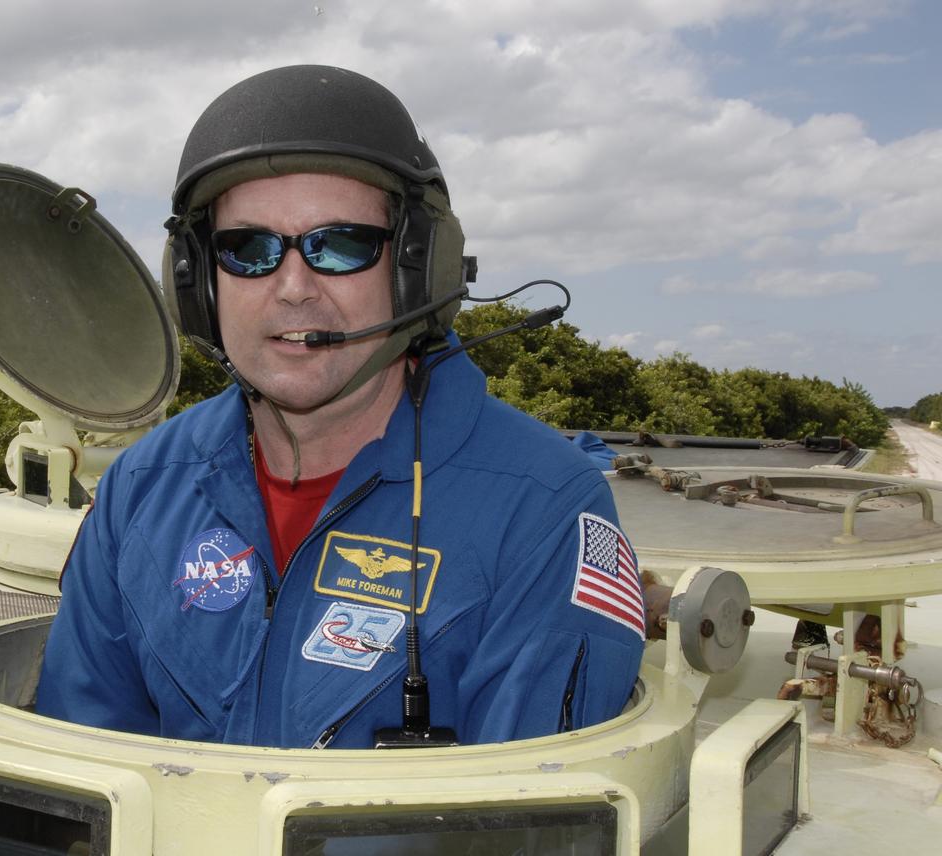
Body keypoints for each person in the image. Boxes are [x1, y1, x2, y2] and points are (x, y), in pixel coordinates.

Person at [36, 65, 644, 748]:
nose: (294, 288)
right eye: (248, 249)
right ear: (197, 281)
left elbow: (534, 822)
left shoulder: (546, 510)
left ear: (419, 270)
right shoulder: (143, 489)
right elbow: (78, 764)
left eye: (342, 245)